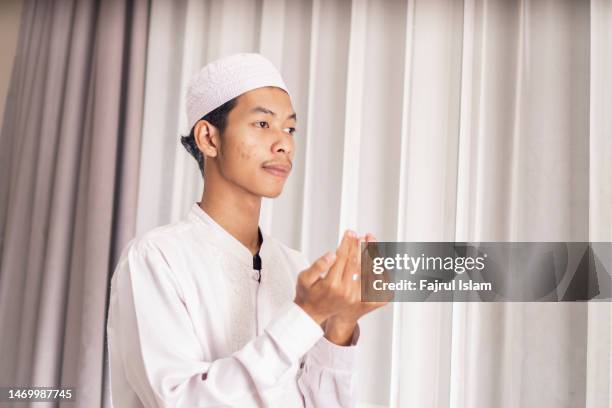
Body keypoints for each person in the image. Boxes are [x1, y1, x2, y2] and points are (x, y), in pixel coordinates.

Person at [106, 53, 387, 407]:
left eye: (290, 128)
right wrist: (306, 315)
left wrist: (340, 325)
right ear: (209, 138)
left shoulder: (294, 267)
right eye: (262, 124)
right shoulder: (155, 259)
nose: (284, 143)